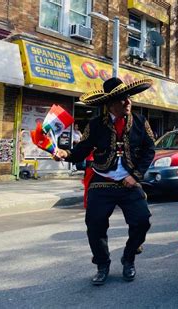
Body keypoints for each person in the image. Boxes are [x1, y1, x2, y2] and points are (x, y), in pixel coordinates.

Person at [53, 77, 156, 285]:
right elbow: (80, 151)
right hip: (102, 180)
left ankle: (128, 258)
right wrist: (64, 153)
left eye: (129, 98)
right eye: (122, 100)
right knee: (95, 224)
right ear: (110, 104)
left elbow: (149, 150)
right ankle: (102, 264)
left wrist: (135, 176)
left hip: (129, 182)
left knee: (142, 220)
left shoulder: (140, 122)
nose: (128, 102)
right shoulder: (95, 125)